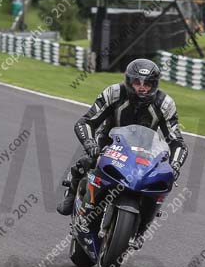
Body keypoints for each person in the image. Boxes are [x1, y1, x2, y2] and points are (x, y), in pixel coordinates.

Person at [57, 58, 188, 235]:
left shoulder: (165, 104)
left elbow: (177, 141)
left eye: (147, 84)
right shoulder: (114, 93)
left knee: (161, 179)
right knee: (87, 161)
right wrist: (90, 143)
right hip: (110, 144)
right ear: (128, 81)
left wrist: (175, 165)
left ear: (154, 84)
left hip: (145, 152)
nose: (142, 88)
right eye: (137, 82)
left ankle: (142, 226)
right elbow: (85, 122)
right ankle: (72, 195)